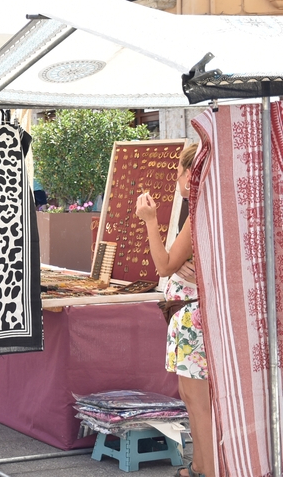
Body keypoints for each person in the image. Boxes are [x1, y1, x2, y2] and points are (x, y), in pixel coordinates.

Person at [136, 144, 213, 477]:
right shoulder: (206, 211)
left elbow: (164, 264)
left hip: (193, 317)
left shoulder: (200, 212)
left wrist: (150, 220)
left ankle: (207, 470)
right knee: (190, 397)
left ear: (189, 174)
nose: (177, 178)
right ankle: (199, 466)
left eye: (181, 171)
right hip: (190, 315)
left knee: (198, 403)